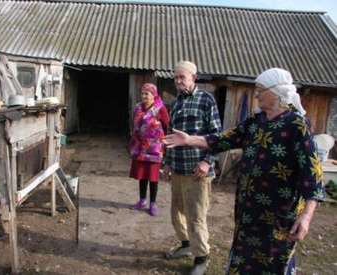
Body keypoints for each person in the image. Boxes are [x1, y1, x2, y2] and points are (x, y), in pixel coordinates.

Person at [163, 68, 325, 274]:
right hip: (249, 212)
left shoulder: (297, 126)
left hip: (278, 215)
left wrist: (306, 216)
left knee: (273, 262)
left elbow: (313, 174)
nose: (255, 94)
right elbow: (221, 139)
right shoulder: (255, 122)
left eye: (260, 90)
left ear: (276, 92)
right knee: (244, 260)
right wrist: (188, 139)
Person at [163, 61, 222, 275]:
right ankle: (187, 245)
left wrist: (208, 161)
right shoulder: (176, 103)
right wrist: (167, 163)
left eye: (182, 77)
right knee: (176, 212)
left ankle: (201, 257)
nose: (178, 81)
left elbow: (217, 136)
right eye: (176, 77)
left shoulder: (206, 100)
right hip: (178, 168)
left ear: (194, 78)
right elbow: (171, 137)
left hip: (198, 171)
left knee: (196, 215)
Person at [129, 83, 169, 216]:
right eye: (142, 93)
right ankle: (142, 201)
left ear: (154, 95)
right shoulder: (137, 107)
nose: (144, 96)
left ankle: (153, 203)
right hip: (140, 147)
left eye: (147, 93)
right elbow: (134, 124)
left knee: (153, 177)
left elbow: (166, 125)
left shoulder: (160, 109)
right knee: (142, 176)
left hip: (155, 149)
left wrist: (161, 141)